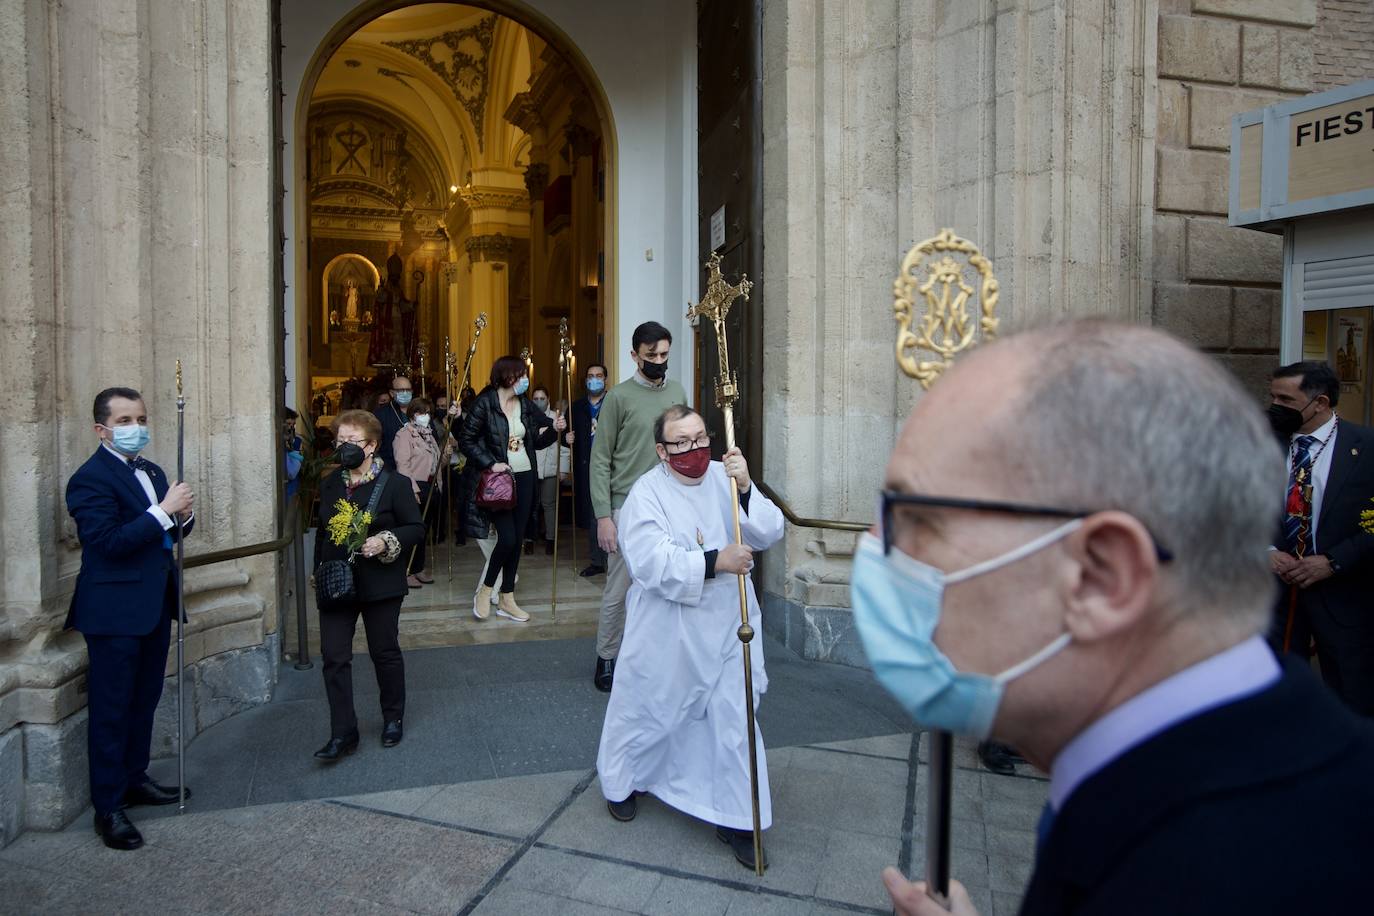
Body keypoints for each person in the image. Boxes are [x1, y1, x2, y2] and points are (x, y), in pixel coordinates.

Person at [858, 321, 1374, 916]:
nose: (876, 547)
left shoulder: (1225, 876)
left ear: (1102, 575)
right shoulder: (1139, 791)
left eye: (921, 519)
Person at [597, 405, 782, 871]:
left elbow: (768, 530)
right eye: (681, 442)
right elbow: (649, 562)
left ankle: (740, 820)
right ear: (662, 450)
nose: (694, 449)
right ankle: (624, 780)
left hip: (729, 623)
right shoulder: (646, 493)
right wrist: (715, 560)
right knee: (651, 712)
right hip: (669, 629)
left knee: (734, 718)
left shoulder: (725, 476)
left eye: (700, 438)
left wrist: (746, 488)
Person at [65, 387, 195, 850]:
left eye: (139, 418)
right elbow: (108, 542)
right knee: (112, 709)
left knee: (144, 699)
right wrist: (163, 511)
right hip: (113, 612)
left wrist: (183, 516)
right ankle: (108, 806)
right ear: (101, 429)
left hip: (153, 605)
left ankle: (135, 778)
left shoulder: (152, 470)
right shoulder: (89, 479)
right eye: (124, 421)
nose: (135, 427)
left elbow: (167, 532)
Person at [312, 410, 424, 759]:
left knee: (384, 651)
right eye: (340, 441)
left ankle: (393, 717)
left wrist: (385, 540)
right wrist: (318, 570)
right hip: (337, 582)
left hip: (380, 583)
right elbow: (323, 532)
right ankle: (343, 732)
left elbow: (415, 528)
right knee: (333, 657)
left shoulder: (395, 484)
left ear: (372, 445)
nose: (344, 447)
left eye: (352, 441)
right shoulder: (330, 483)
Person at [1267, 361, 1374, 714]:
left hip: (1344, 598)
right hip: (1277, 598)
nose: (1275, 406)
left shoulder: (1366, 447)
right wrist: (1266, 550)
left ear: (1321, 403)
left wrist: (1333, 562)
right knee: (1278, 698)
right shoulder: (1260, 442)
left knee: (1351, 701)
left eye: (1286, 399)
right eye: (1273, 397)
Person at [589, 322, 688, 691]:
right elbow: (600, 459)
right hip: (626, 506)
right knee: (619, 587)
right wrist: (604, 517)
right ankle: (606, 657)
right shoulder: (618, 397)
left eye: (664, 354)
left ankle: (657, 657)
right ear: (635, 355)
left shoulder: (677, 392)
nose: (659, 361)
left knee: (668, 582)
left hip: (671, 504)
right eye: (651, 355)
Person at [459, 355, 565, 622]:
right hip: (499, 480)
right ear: (507, 376)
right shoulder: (485, 403)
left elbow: (538, 441)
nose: (525, 380)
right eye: (521, 375)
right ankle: (486, 590)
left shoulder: (525, 404)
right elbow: (466, 440)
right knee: (506, 538)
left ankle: (507, 597)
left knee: (517, 540)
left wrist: (556, 429)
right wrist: (490, 463)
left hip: (525, 475)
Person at [393, 396, 441, 587]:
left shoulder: (428, 434)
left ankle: (418, 567)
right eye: (421, 412)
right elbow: (402, 465)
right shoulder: (404, 435)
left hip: (431, 485)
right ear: (413, 414)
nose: (425, 416)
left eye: (428, 412)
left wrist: (445, 455)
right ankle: (406, 570)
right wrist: (411, 490)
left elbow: (435, 463)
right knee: (412, 530)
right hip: (415, 486)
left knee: (423, 530)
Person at [569, 362, 609, 577]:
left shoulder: (614, 403)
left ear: (605, 380)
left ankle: (615, 559)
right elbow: (566, 436)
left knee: (614, 513)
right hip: (587, 466)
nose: (595, 379)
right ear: (585, 381)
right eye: (591, 376)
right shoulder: (576, 407)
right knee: (595, 516)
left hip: (611, 465)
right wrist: (566, 438)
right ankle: (597, 561)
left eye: (599, 375)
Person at [531, 384, 560, 555]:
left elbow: (563, 447)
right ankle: (529, 539)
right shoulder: (527, 416)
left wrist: (563, 469)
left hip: (550, 467)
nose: (539, 402)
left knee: (549, 505)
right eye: (535, 399)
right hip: (531, 467)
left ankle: (551, 539)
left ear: (548, 399)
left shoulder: (556, 418)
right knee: (531, 505)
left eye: (542, 398)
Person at [374, 375, 413, 467]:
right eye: (401, 390)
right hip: (391, 466)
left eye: (408, 390)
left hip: (418, 466)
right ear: (392, 393)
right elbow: (375, 443)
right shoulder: (381, 414)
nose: (405, 393)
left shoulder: (420, 410)